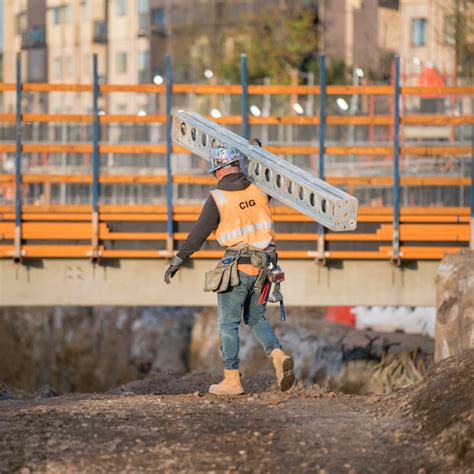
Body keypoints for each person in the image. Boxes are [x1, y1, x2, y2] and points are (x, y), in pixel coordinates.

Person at [164, 144, 295, 395]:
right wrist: (259, 155)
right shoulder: (260, 190)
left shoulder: (218, 198)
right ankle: (278, 355)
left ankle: (232, 380)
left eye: (215, 171)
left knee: (227, 324)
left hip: (238, 267)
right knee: (255, 318)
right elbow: (271, 175)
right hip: (265, 268)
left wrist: (179, 259)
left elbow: (199, 233)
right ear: (238, 165)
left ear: (220, 170)